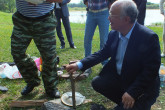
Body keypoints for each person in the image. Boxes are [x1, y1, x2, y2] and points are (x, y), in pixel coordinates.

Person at [66, 0, 161, 110]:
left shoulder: (148, 38)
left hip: (142, 88)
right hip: (123, 79)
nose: (108, 18)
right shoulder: (114, 33)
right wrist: (79, 64)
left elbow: (150, 71)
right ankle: (125, 103)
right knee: (98, 82)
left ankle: (133, 103)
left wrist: (132, 92)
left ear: (126, 19)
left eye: (112, 15)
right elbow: (102, 53)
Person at [11, 0, 62, 98]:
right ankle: (32, 80)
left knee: (49, 56)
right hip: (22, 21)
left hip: (45, 21)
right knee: (17, 53)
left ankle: (51, 88)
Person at [83, 0, 110, 76]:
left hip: (104, 13)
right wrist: (86, 3)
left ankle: (105, 63)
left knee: (104, 40)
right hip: (90, 13)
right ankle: (87, 65)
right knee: (87, 40)